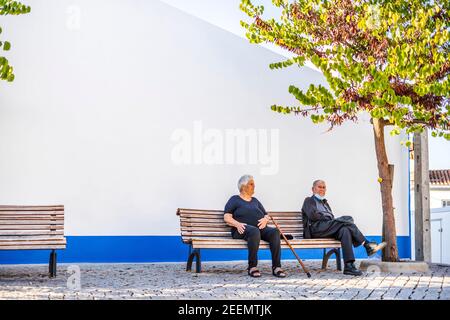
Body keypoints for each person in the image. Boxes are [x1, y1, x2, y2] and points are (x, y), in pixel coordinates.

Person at [302, 180, 386, 276]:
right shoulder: (309, 200)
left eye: (323, 187)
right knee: (347, 220)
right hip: (315, 230)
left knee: (345, 230)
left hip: (327, 228)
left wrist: (330, 219)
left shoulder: (325, 203)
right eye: (319, 187)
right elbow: (313, 216)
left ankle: (349, 266)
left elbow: (331, 218)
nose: (322, 189)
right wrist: (328, 218)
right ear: (313, 189)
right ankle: (367, 244)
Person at [224, 175, 286, 278]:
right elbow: (227, 217)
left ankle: (277, 267)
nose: (254, 186)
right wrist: (237, 224)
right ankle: (252, 266)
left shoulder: (255, 201)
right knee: (254, 231)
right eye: (251, 184)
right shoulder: (235, 199)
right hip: (242, 229)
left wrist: (266, 219)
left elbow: (266, 215)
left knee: (275, 231)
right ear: (243, 186)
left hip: (259, 229)